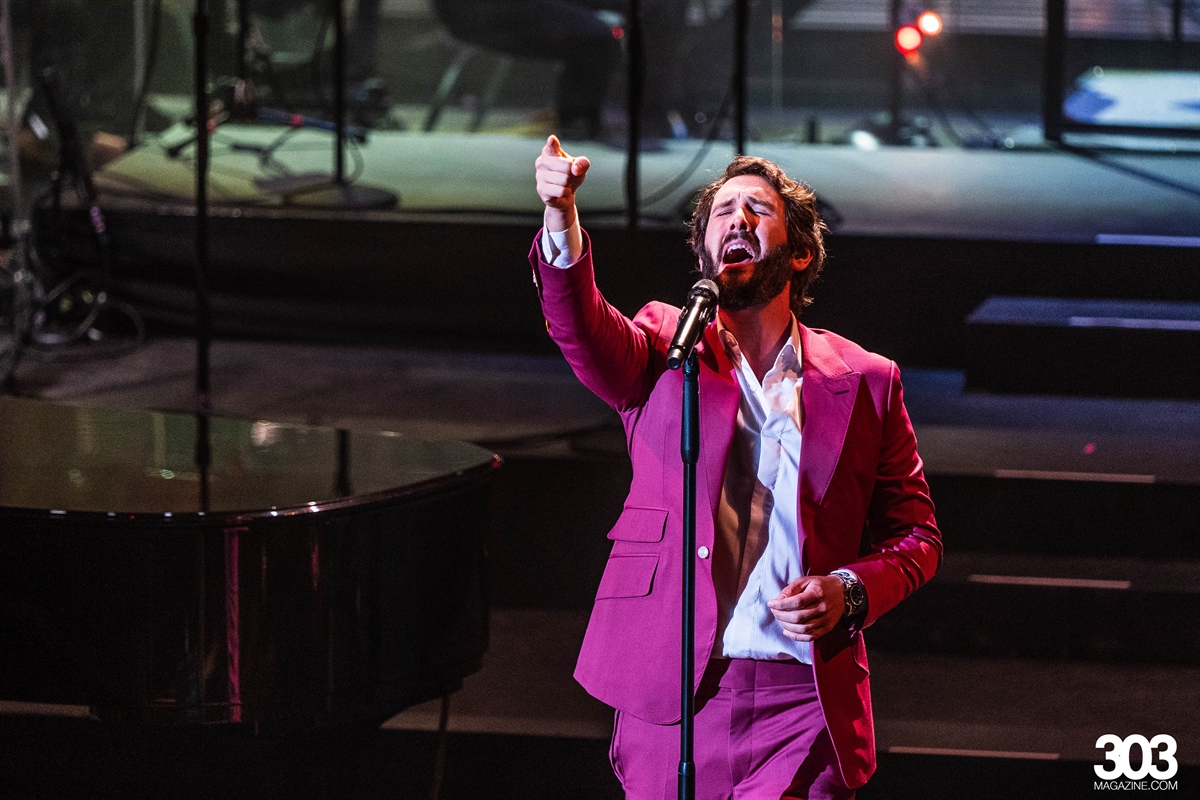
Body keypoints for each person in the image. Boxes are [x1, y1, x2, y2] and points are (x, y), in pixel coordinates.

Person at [529, 135, 942, 799]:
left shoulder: (866, 380)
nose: (738, 219)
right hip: (674, 687)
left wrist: (850, 590)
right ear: (703, 251)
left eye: (758, 209)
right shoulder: (663, 345)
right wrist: (560, 216)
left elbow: (917, 536)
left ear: (799, 252)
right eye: (723, 212)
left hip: (800, 700)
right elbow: (580, 326)